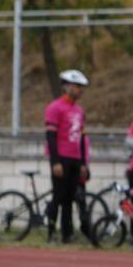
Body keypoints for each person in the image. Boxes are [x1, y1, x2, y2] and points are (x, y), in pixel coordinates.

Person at [44, 69, 90, 243]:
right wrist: (55, 161)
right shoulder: (55, 107)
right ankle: (51, 232)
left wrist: (83, 162)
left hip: (75, 158)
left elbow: (82, 138)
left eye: (81, 87)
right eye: (78, 86)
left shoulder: (79, 110)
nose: (80, 90)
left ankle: (67, 233)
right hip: (60, 157)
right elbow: (50, 136)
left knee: (70, 198)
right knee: (58, 196)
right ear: (67, 86)